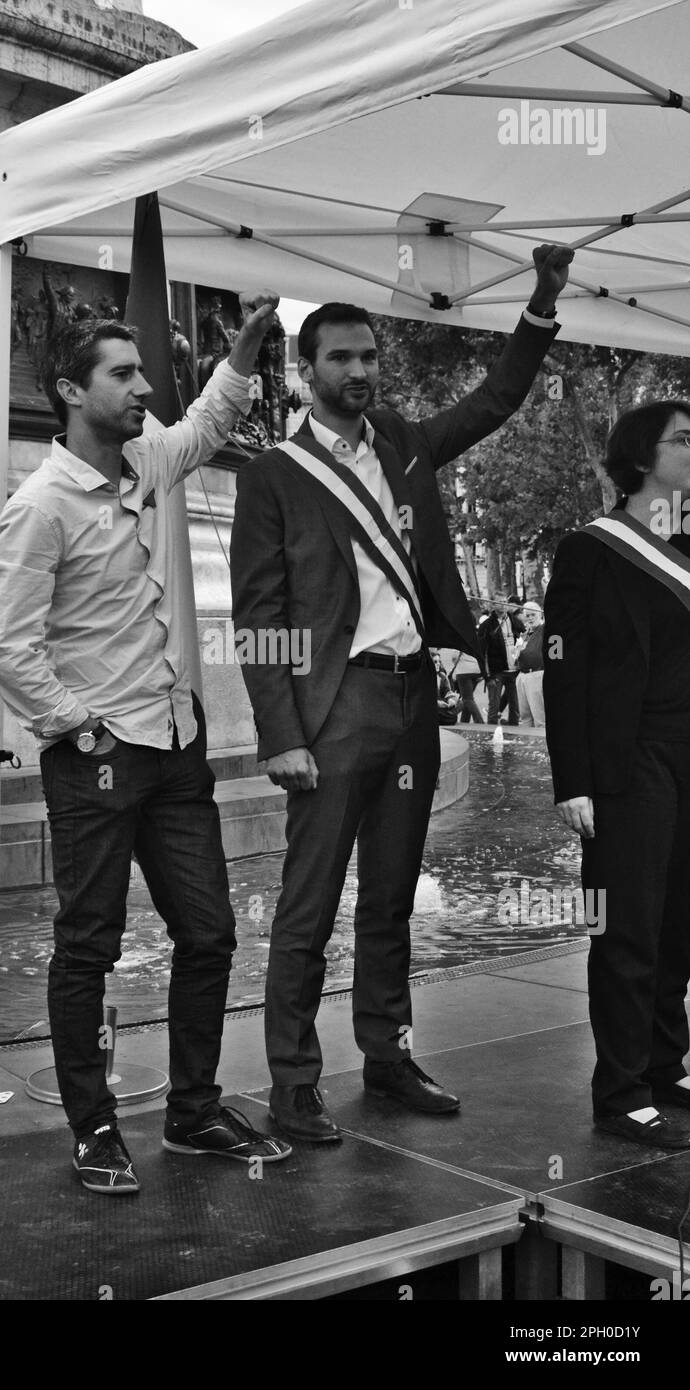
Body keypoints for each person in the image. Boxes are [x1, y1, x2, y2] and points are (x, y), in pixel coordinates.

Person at [230, 244, 573, 1141]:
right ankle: (294, 1083)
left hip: (415, 700)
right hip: (334, 709)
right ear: (306, 373)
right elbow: (259, 619)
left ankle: (386, 1058)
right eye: (340, 358)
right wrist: (281, 734)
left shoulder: (410, 448)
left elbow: (495, 400)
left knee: (390, 897)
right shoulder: (273, 476)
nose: (359, 372)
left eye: (370, 357)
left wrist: (541, 303)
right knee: (307, 905)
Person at [0, 297, 293, 1195]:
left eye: (140, 373)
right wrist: (81, 724)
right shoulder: (40, 507)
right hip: (98, 756)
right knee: (88, 945)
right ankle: (95, 1128)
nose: (143, 388)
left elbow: (206, 424)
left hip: (175, 746)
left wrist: (239, 355)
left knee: (209, 932)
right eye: (122, 375)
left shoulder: (145, 460)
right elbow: (6, 645)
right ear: (72, 392)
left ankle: (194, 1113)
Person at [543, 399, 690, 1150]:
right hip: (629, 763)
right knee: (627, 927)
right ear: (642, 457)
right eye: (685, 439)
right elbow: (565, 671)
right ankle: (621, 1089)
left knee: (679, 927)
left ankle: (665, 1066)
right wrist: (573, 780)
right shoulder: (592, 550)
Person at [478, 593, 523, 724]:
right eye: (499, 602)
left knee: (515, 707)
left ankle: (515, 735)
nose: (503, 604)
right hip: (496, 672)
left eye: (505, 601)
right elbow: (482, 652)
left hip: (514, 670)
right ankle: (490, 736)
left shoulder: (515, 621)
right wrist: (487, 676)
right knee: (494, 707)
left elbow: (525, 637)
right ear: (492, 605)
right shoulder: (486, 625)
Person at [514, 600, 545, 726]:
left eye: (533, 615)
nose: (530, 618)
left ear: (540, 615)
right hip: (522, 676)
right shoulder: (524, 634)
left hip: (536, 674)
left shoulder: (545, 629)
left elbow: (557, 653)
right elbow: (515, 655)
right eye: (528, 615)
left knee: (539, 717)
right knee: (525, 716)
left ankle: (542, 743)